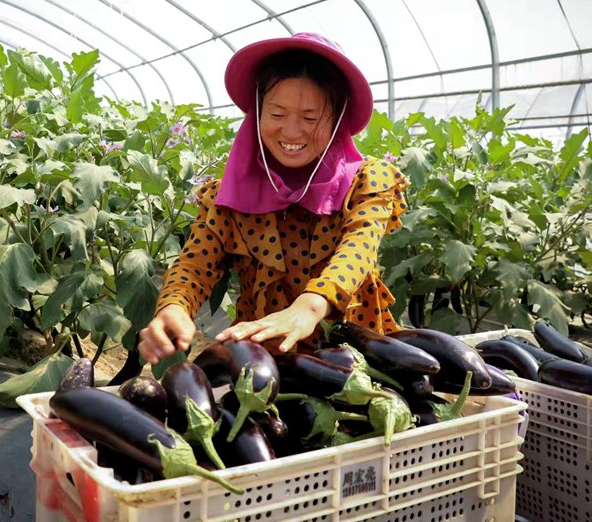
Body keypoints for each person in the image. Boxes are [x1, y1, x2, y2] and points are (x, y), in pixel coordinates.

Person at [138, 32, 409, 365]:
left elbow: (358, 250)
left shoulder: (367, 181)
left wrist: (311, 305)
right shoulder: (228, 195)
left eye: (311, 118)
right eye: (277, 115)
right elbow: (194, 266)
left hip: (357, 358)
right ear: (257, 112)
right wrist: (175, 306)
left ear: (338, 119)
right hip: (263, 359)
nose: (292, 132)